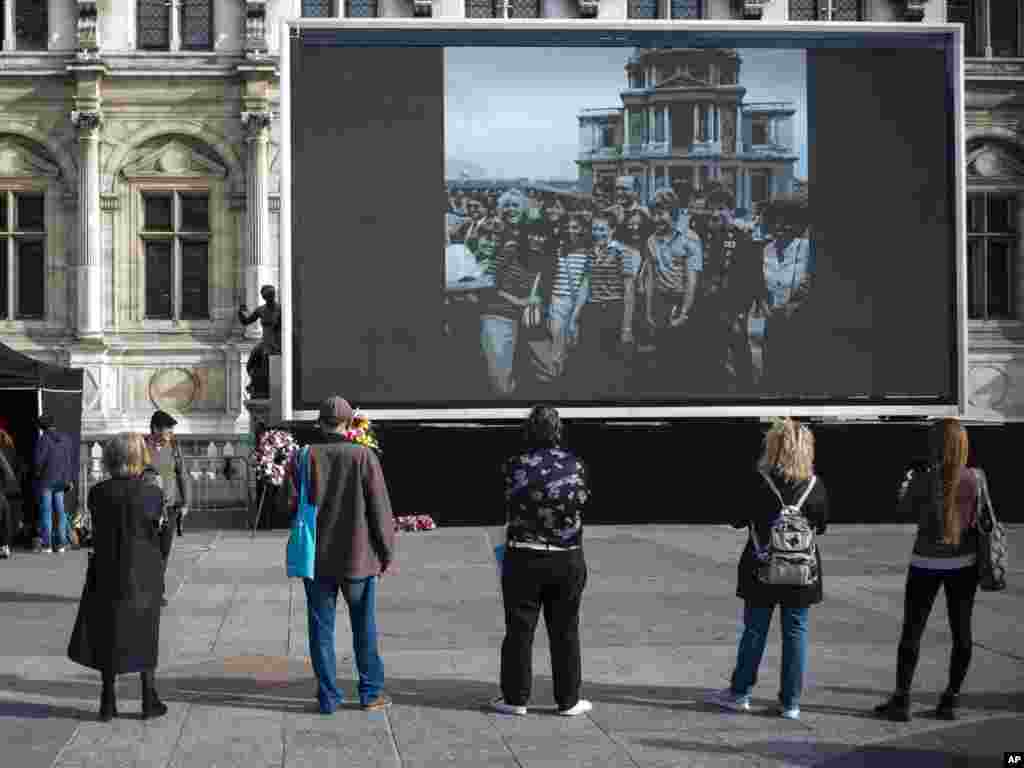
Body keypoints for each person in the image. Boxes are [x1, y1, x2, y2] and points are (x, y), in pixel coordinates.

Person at [708, 417, 829, 720]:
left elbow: (735, 519)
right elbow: (822, 525)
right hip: (802, 571)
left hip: (761, 566)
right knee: (796, 632)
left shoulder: (758, 480)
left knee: (755, 629)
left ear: (773, 447)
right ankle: (790, 703)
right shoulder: (815, 485)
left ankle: (741, 693)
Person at [285, 396, 396, 714]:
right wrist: (386, 552)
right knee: (364, 625)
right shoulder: (364, 456)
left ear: (319, 423)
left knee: (321, 628)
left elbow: (288, 504)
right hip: (359, 558)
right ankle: (370, 693)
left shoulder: (303, 456)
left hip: (316, 559)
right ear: (349, 424)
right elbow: (380, 510)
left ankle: (328, 697)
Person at [874, 418, 990, 723]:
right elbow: (983, 519)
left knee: (912, 631)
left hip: (925, 563)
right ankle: (950, 700)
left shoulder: (925, 479)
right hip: (964, 565)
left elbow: (904, 510)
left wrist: (906, 485)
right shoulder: (976, 479)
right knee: (962, 632)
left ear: (937, 445)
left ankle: (901, 700)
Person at [491, 405, 592, 717]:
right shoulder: (576, 464)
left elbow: (503, 499)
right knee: (566, 630)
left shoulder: (514, 465)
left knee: (519, 629)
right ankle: (568, 700)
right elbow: (584, 500)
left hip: (523, 555)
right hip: (567, 558)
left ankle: (515, 699)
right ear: (558, 431)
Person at [73, 432, 168, 721]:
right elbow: (162, 536)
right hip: (142, 571)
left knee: (107, 632)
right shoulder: (152, 493)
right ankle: (148, 698)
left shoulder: (97, 493)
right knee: (145, 632)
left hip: (106, 570)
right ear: (139, 458)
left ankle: (107, 699)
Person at [144, 410, 189, 607]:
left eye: (171, 430)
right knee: (147, 551)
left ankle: (157, 591)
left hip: (169, 508)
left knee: (163, 551)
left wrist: (186, 502)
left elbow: (182, 475)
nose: (170, 433)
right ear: (155, 429)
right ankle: (146, 589)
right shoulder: (142, 447)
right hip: (146, 507)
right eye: (167, 429)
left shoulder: (174, 447)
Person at [33, 412, 75, 554]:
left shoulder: (44, 439)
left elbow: (39, 461)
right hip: (62, 480)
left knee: (47, 512)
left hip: (47, 480)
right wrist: (69, 479)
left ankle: (47, 545)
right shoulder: (65, 439)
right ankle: (62, 543)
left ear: (42, 427)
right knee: (60, 511)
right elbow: (69, 460)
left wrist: (37, 473)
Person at [238, 285, 282, 398]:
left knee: (266, 365)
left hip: (276, 343)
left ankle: (263, 388)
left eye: (271, 295)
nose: (269, 298)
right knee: (250, 363)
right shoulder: (260, 310)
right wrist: (241, 311)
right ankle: (255, 384)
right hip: (264, 342)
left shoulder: (281, 309)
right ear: (264, 297)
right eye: (267, 296)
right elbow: (246, 321)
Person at [0, 433, 17, 559]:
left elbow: (8, 472)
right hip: (5, 489)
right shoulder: (10, 449)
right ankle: (5, 546)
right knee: (5, 516)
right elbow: (9, 472)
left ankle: (4, 545)